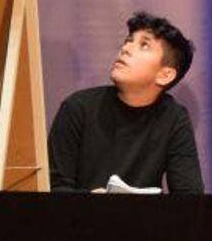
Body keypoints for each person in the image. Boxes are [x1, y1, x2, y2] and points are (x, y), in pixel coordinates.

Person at [48, 12, 203, 194]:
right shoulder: (78, 107)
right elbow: (53, 187)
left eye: (144, 45)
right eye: (128, 41)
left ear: (165, 75)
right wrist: (89, 200)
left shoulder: (174, 117)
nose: (126, 48)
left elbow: (189, 195)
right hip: (82, 212)